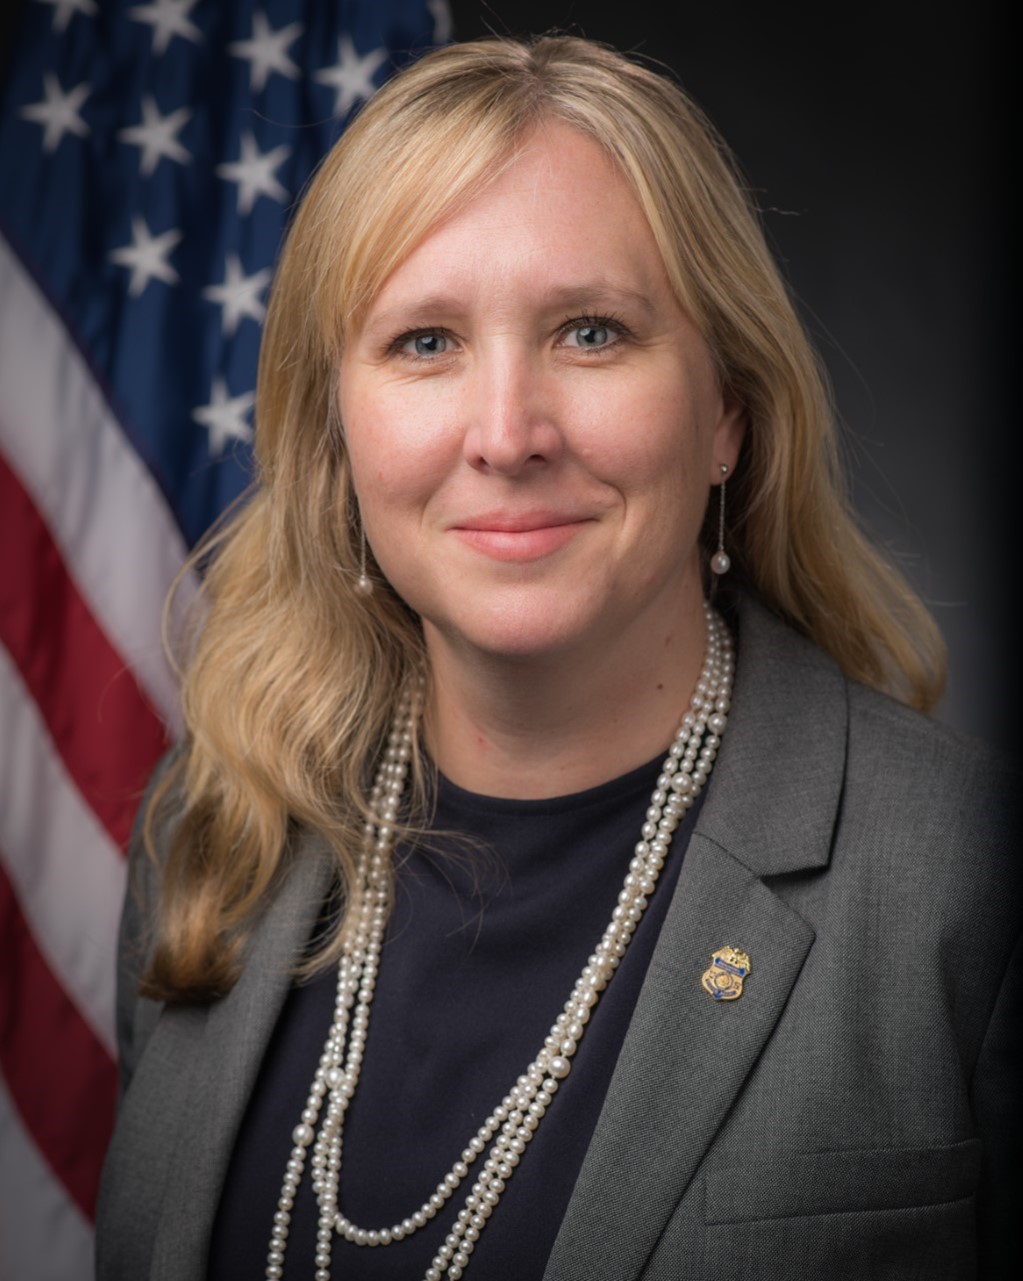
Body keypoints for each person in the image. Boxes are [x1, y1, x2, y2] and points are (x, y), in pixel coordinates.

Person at [95, 34, 1020, 1281]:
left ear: (727, 415)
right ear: (339, 435)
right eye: (425, 342)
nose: (507, 433)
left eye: (591, 332)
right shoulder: (212, 844)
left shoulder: (966, 886)